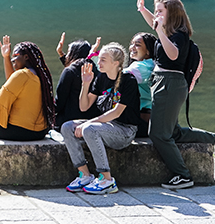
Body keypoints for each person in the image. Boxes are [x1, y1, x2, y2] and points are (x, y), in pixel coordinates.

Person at [137, 0, 215, 190]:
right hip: (163, 83)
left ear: (172, 13)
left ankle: (182, 175)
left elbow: (173, 55)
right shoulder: (168, 32)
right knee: (174, 132)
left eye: (160, 10)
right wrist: (142, 9)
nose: (156, 14)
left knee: (159, 134)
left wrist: (159, 30)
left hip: (170, 83)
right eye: (156, 10)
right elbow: (155, 23)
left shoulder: (180, 35)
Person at [0, 36, 55, 175]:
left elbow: (1, 100)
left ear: (26, 57)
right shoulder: (41, 76)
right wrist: (6, 57)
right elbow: (13, 83)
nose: (13, 60)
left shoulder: (22, 75)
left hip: (21, 131)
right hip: (40, 132)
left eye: (15, 57)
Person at [61, 43, 140, 194]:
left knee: (90, 128)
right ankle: (85, 175)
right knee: (67, 127)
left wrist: (88, 124)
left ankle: (107, 180)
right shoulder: (101, 78)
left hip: (125, 131)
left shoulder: (128, 80)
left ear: (115, 63)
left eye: (103, 59)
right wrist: (85, 84)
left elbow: (116, 113)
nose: (99, 62)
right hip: (105, 126)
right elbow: (84, 107)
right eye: (99, 59)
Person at [53, 37, 98, 129]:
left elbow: (60, 101)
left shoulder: (70, 72)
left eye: (69, 52)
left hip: (69, 120)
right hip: (92, 120)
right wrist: (61, 54)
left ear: (73, 53)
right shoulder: (97, 70)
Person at [126, 32, 157, 137]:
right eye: (132, 44)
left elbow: (117, 76)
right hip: (151, 117)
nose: (132, 47)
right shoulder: (152, 64)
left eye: (137, 45)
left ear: (148, 51)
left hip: (142, 120)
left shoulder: (142, 67)